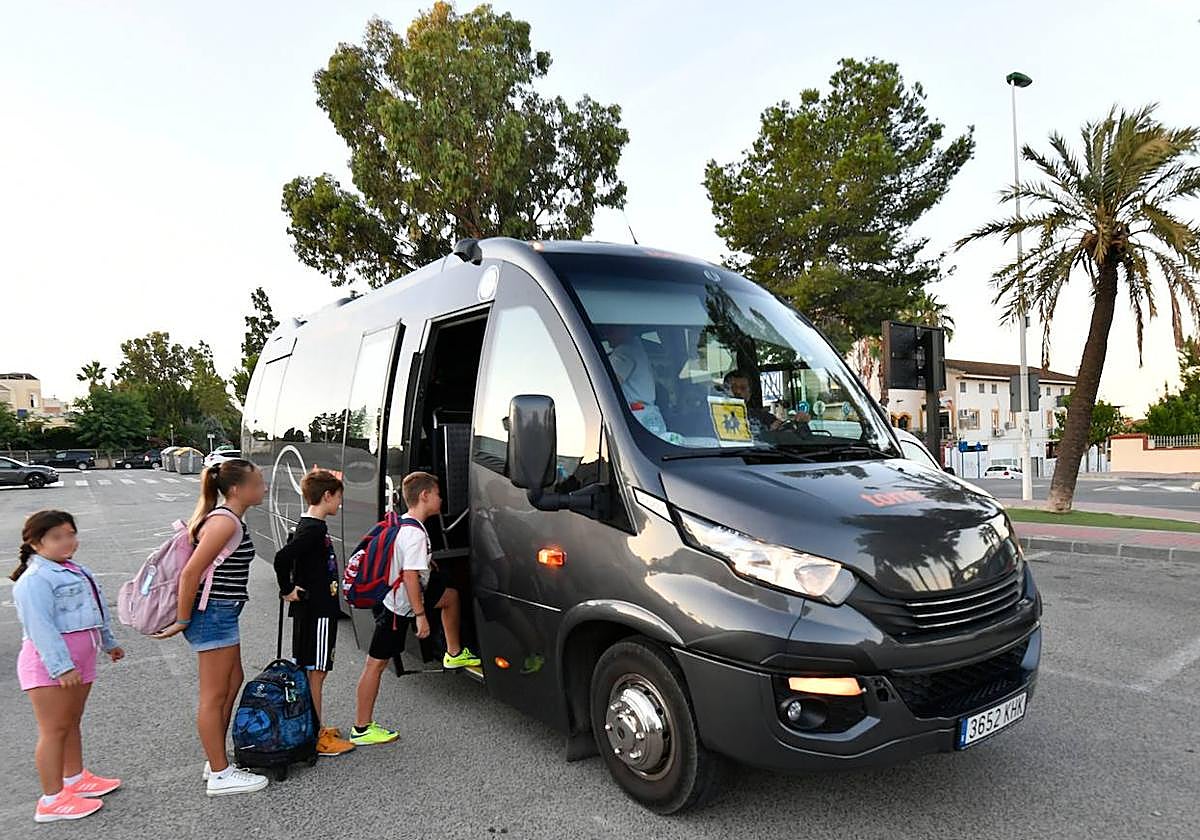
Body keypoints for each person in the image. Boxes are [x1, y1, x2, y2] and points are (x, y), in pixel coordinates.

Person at [153, 459, 270, 797]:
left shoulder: (229, 519)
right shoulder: (224, 522)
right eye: (257, 483)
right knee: (213, 695)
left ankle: (216, 759)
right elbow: (191, 573)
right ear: (236, 489)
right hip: (213, 614)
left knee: (232, 681)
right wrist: (182, 619)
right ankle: (219, 773)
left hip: (222, 613)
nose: (263, 488)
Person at [350, 472, 481, 746]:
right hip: (397, 609)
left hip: (403, 597)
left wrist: (427, 564)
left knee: (450, 596)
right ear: (425, 496)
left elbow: (410, 566)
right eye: (438, 494)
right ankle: (361, 728)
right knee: (375, 665)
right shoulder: (415, 534)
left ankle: (454, 653)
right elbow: (410, 577)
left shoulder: (406, 523)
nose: (441, 499)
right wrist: (421, 616)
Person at [12, 510, 124, 824]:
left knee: (71, 721)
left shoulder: (74, 569)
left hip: (80, 661)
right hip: (50, 667)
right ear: (35, 543)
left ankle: (75, 778)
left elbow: (96, 610)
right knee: (54, 729)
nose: (67, 542)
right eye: (57, 537)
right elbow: (40, 628)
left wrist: (108, 643)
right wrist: (61, 667)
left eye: (71, 534)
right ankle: (51, 800)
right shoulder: (35, 579)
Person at [272, 468, 355, 757]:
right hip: (318, 610)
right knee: (316, 672)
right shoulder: (314, 529)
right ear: (327, 495)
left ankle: (314, 726)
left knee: (313, 671)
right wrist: (287, 589)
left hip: (314, 609)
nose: (340, 504)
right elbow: (282, 558)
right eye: (338, 498)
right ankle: (316, 736)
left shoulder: (308, 524)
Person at [602, 324, 668, 435]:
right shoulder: (639, 351)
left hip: (637, 416)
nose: (607, 335)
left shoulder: (623, 352)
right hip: (650, 414)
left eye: (611, 331)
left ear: (625, 329)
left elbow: (608, 386)